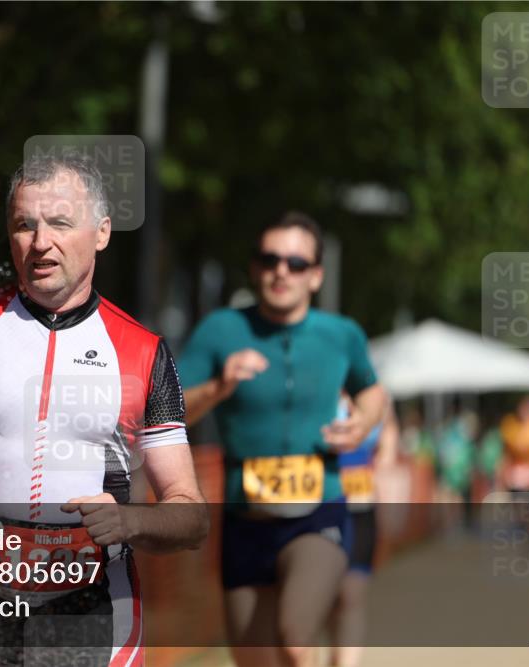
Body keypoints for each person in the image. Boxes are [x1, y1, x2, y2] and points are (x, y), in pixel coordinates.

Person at [0, 152, 208, 667]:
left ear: (102, 232)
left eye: (60, 224)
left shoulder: (142, 350)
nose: (40, 242)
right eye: (25, 225)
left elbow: (191, 514)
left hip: (93, 609)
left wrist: (131, 522)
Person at [178, 211, 388, 667]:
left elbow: (372, 390)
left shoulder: (341, 334)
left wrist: (364, 420)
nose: (281, 271)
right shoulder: (221, 330)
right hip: (243, 517)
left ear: (316, 276)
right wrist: (219, 387)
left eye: (296, 263)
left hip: (319, 511)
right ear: (254, 268)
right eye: (270, 259)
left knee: (295, 640)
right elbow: (169, 411)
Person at [328, 396, 398, 667]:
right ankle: (333, 656)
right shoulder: (321, 386)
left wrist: (385, 471)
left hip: (361, 510)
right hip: (322, 510)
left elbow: (389, 442)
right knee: (326, 599)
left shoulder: (377, 396)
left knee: (352, 594)